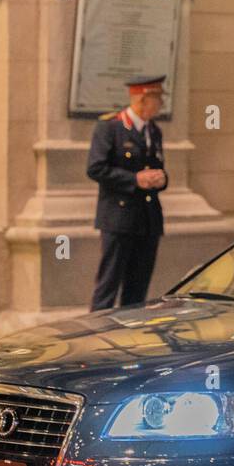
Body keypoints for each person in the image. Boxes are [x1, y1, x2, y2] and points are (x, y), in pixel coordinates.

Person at [86, 74, 169, 310]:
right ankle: (97, 334)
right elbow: (95, 168)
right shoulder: (110, 127)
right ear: (143, 99)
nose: (161, 104)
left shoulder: (154, 131)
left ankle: (130, 336)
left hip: (148, 219)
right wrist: (134, 180)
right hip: (119, 219)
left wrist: (161, 179)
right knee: (108, 285)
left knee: (138, 288)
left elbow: (158, 167)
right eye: (158, 98)